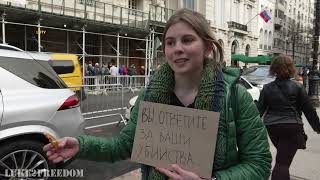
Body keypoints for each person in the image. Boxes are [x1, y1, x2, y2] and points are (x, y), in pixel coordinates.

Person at [44, 8, 271, 180]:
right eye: (170, 42)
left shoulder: (235, 96)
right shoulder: (150, 95)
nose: (177, 48)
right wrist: (81, 145)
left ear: (208, 47)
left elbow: (259, 164)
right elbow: (123, 145)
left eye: (188, 40)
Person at [257, 55, 320, 180]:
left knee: (282, 160)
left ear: (274, 69)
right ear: (291, 68)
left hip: (272, 128)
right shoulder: (297, 87)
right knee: (282, 163)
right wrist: (317, 127)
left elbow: (259, 111)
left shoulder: (267, 88)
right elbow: (309, 111)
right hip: (292, 127)